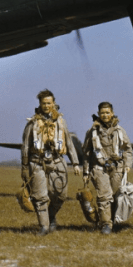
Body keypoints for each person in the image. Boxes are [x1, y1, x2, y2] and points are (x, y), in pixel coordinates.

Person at [21, 89, 81, 235]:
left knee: (61, 195)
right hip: (37, 162)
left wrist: (75, 163)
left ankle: (51, 215)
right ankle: (44, 226)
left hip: (57, 160)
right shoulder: (32, 123)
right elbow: (26, 146)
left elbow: (69, 143)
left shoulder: (61, 122)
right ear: (40, 104)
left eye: (49, 103)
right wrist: (24, 167)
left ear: (54, 103)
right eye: (43, 103)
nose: (46, 106)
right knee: (40, 196)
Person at [81, 101, 133, 235]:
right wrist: (86, 171)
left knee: (116, 196)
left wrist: (127, 165)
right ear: (98, 114)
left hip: (117, 168)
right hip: (99, 167)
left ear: (112, 113)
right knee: (104, 196)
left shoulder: (120, 131)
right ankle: (106, 225)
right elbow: (86, 153)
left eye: (107, 112)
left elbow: (127, 149)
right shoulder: (92, 132)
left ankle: (114, 221)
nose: (105, 115)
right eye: (102, 113)